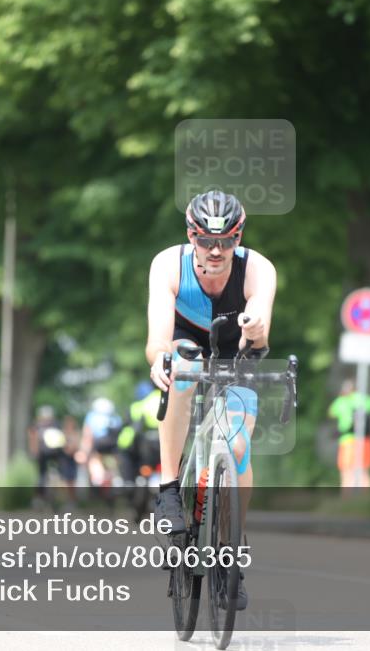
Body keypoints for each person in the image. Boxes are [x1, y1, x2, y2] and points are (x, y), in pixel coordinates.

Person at [147, 190, 277, 610]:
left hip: (233, 351)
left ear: (239, 238)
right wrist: (160, 361)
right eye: (205, 241)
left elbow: (261, 337)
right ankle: (169, 487)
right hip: (184, 342)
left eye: (226, 241)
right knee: (182, 370)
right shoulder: (169, 265)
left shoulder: (258, 269)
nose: (216, 250)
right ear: (191, 237)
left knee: (238, 445)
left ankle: (229, 550)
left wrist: (255, 326)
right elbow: (156, 342)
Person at [28, 405, 78, 509]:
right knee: (42, 476)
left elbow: (64, 437)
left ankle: (62, 499)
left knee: (61, 475)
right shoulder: (39, 427)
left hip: (56, 454)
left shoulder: (53, 426)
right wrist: (34, 452)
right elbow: (33, 440)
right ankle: (39, 498)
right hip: (45, 455)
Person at [329, 379, 370, 488]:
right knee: (364, 470)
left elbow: (331, 412)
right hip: (365, 439)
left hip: (348, 440)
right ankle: (366, 499)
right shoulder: (365, 398)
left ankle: (347, 500)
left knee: (347, 471)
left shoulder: (341, 401)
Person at [77, 397, 123, 489]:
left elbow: (87, 436)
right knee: (115, 460)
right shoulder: (115, 417)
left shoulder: (91, 416)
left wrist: (83, 451)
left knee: (93, 457)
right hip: (114, 445)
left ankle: (98, 477)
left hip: (98, 444)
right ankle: (117, 477)